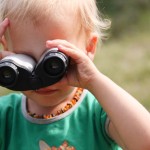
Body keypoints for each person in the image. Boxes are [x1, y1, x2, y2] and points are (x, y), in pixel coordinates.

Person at [0, 0, 150, 150]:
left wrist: (94, 79)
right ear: (6, 52)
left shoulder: (99, 112)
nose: (41, 79)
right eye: (26, 61)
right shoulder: (5, 115)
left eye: (54, 63)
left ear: (89, 48)